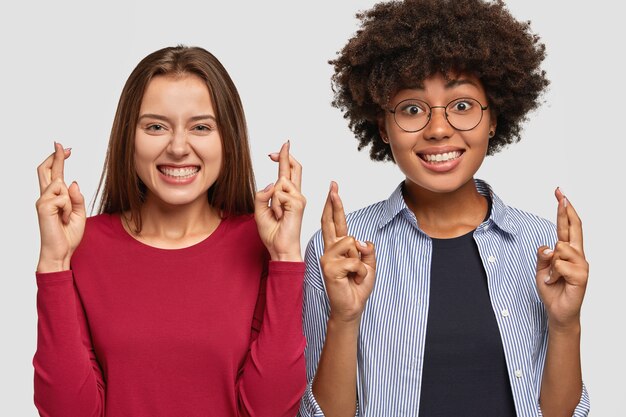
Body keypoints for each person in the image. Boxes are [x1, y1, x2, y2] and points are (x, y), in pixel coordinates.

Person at [299, 1, 589, 416]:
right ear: (383, 125)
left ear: (493, 118)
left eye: (463, 106)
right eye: (412, 109)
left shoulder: (541, 247)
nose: (438, 129)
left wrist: (566, 324)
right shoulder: (341, 252)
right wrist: (344, 317)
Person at [34, 45, 307, 417]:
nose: (178, 147)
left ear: (227, 139)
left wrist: (285, 258)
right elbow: (68, 412)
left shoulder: (262, 244)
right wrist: (55, 261)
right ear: (129, 138)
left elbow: (272, 410)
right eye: (156, 126)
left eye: (201, 127)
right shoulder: (82, 245)